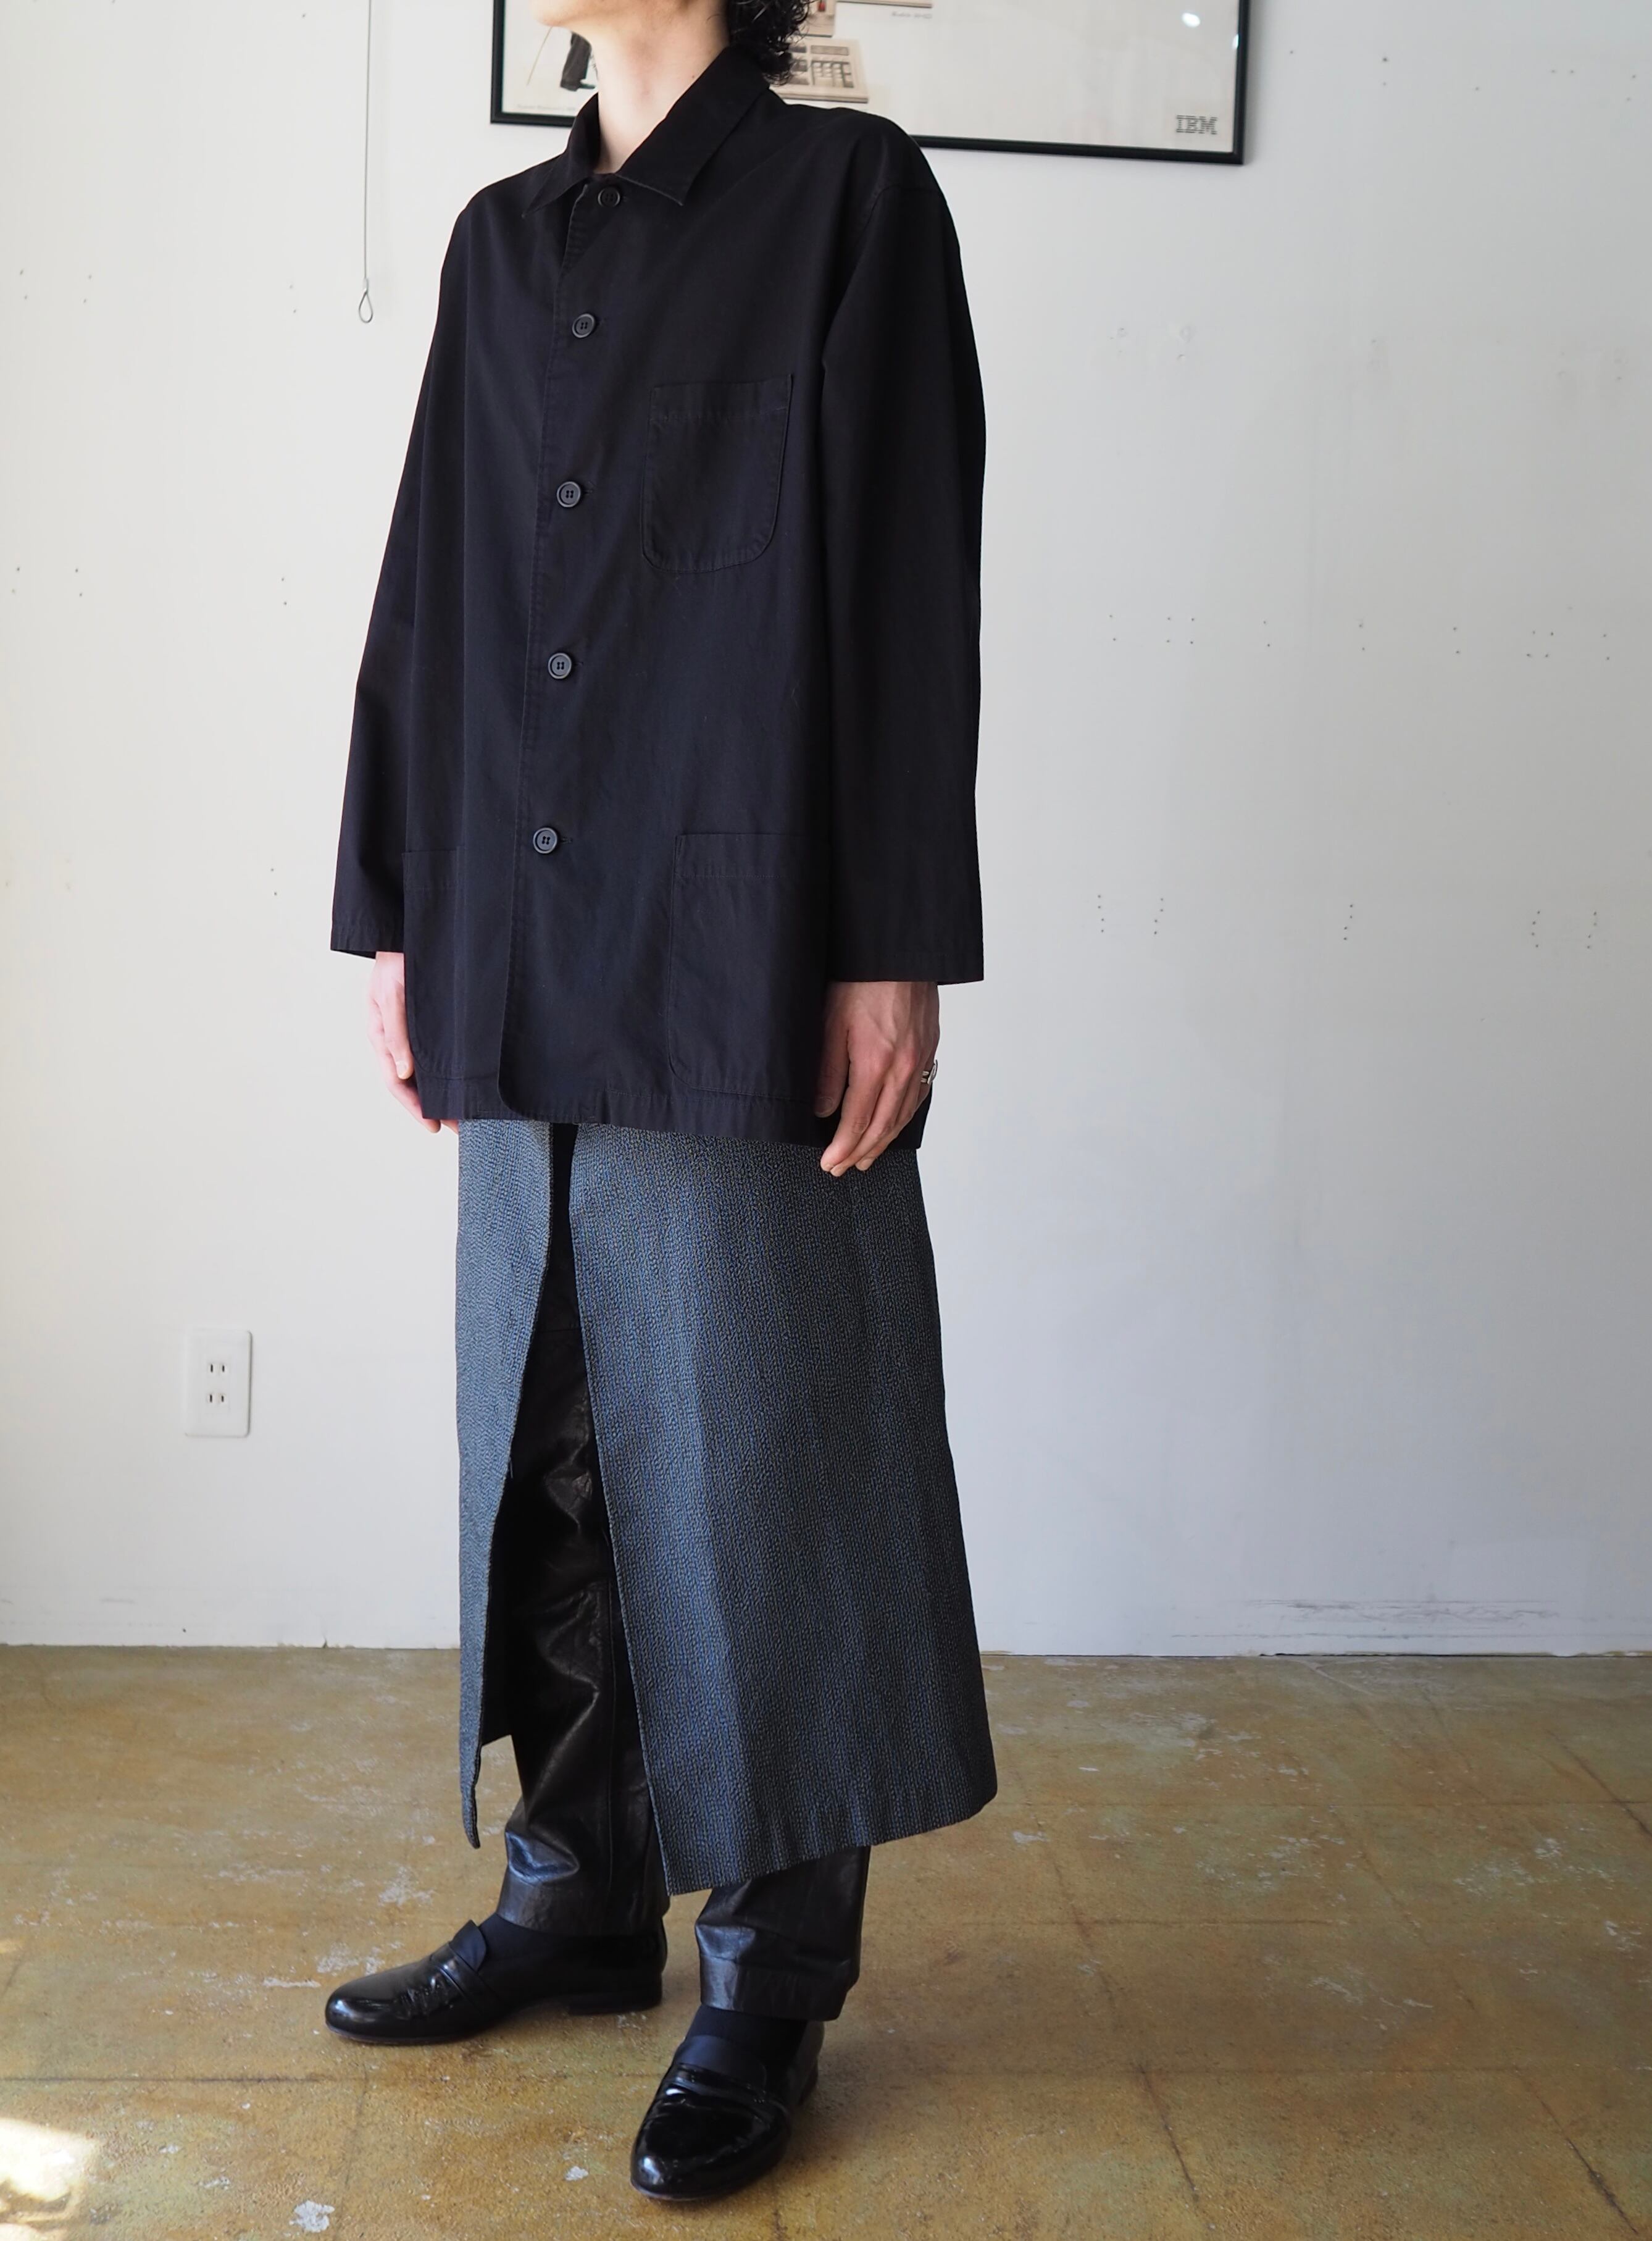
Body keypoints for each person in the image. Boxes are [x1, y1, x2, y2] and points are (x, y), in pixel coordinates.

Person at [323, 0, 992, 2204]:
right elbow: (433, 582)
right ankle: (576, 1894)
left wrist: (889, 945)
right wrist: (396, 912)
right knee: (551, 1440)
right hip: (513, 918)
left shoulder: (847, 200)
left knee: (761, 1453)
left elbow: (905, 589)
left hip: (746, 928)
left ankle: (768, 1983)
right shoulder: (498, 241)